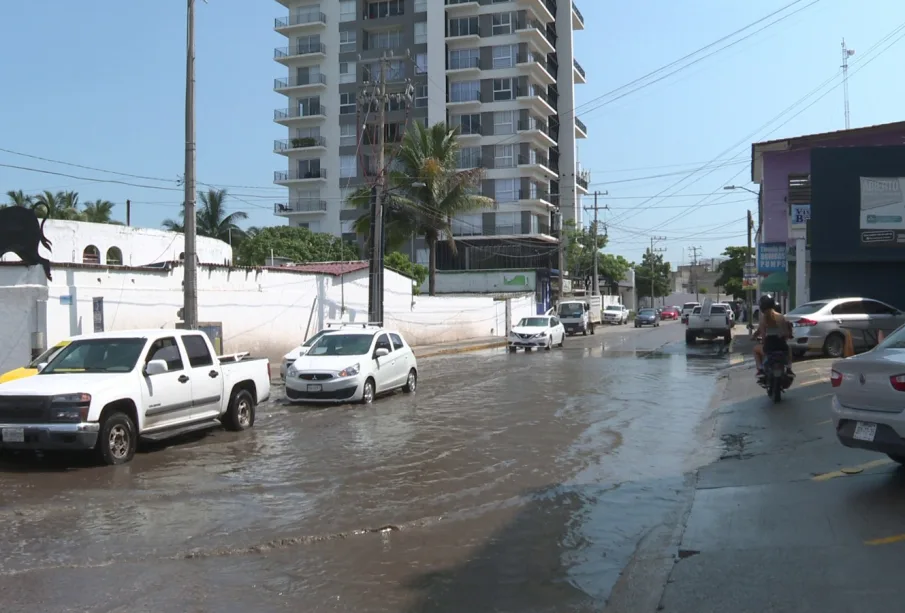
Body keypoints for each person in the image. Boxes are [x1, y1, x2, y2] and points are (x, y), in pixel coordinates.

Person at [751, 294, 794, 380]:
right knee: (789, 348)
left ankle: (760, 369)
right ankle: (789, 368)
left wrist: (763, 340)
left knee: (755, 349)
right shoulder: (781, 317)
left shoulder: (763, 319)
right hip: (782, 347)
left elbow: (763, 337)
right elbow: (786, 333)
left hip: (769, 349)